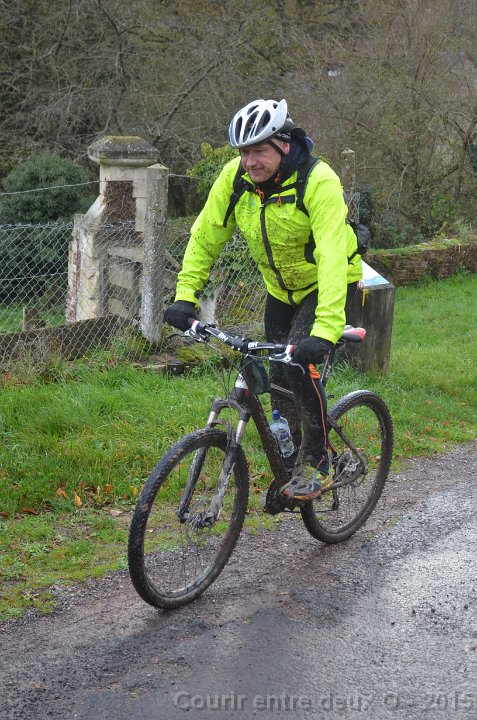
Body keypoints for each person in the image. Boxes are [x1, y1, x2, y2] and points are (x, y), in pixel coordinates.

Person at [164, 98, 362, 501]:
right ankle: (291, 457)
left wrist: (324, 332)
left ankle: (317, 462)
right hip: (279, 290)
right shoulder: (236, 179)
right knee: (278, 378)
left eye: (259, 151)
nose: (249, 161)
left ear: (284, 145)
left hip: (327, 285)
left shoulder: (318, 181)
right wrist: (186, 296)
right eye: (244, 152)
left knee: (301, 366)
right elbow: (206, 235)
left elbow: (330, 257)